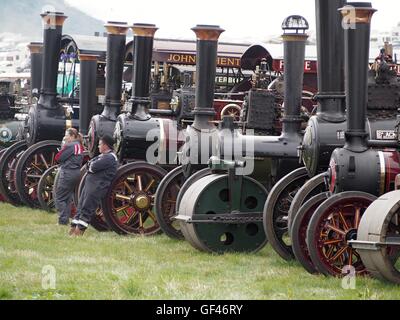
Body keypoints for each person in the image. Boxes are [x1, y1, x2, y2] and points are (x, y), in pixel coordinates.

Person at [69, 135, 118, 236]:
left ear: (105, 145)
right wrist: (90, 165)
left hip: (97, 187)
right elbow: (89, 164)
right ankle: (72, 232)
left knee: (86, 209)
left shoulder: (110, 157)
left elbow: (93, 166)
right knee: (80, 208)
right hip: (91, 186)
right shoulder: (103, 156)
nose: (98, 146)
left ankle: (78, 234)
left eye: (100, 144)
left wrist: (90, 165)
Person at [54, 128, 84, 225]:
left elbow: (58, 157)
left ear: (72, 136)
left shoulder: (70, 145)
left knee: (59, 197)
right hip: (76, 172)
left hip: (67, 173)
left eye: (67, 135)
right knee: (67, 198)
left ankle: (62, 220)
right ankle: (65, 219)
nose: (65, 137)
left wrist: (63, 146)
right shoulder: (79, 145)